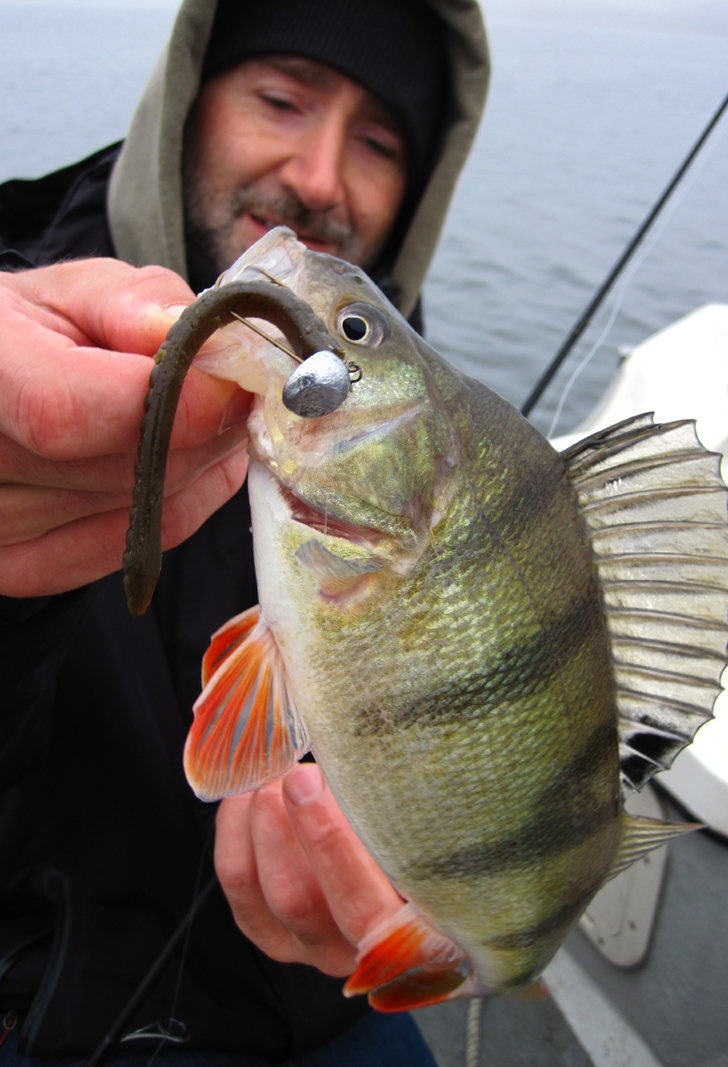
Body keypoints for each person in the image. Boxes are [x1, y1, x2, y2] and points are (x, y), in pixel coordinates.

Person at [0, 1, 489, 1064]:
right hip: (39, 1001)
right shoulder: (12, 304)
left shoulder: (423, 437)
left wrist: (422, 893)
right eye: (281, 99)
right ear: (188, 101)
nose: (319, 178)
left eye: (376, 142)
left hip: (315, 1005)